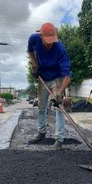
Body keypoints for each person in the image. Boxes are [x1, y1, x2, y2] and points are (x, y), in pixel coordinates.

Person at [27, 22, 71, 150]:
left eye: (52, 41)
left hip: (57, 77)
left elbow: (67, 75)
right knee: (41, 106)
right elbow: (30, 51)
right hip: (43, 76)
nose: (50, 43)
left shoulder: (60, 49)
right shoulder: (33, 39)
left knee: (59, 107)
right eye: (47, 41)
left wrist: (60, 93)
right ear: (41, 36)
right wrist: (34, 65)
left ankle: (59, 139)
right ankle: (41, 133)